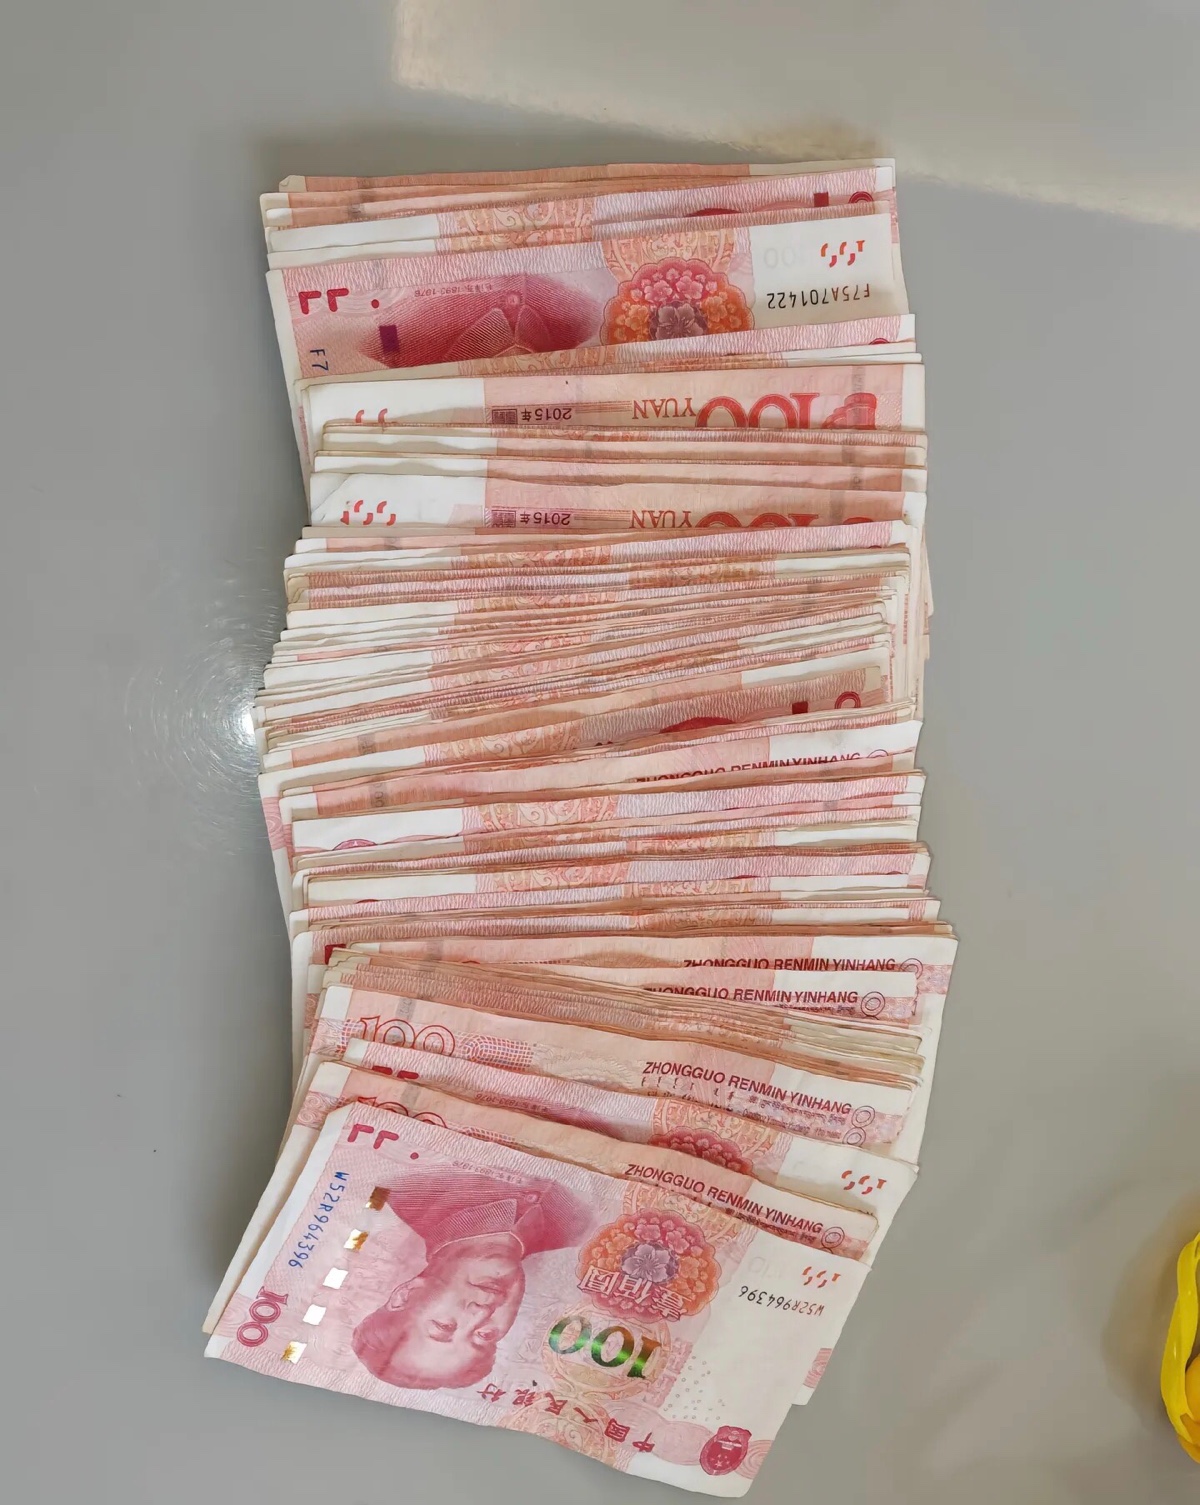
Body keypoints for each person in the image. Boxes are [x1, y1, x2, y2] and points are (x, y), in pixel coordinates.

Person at [352, 1167, 591, 1390]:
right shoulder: (580, 1230)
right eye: (484, 1336)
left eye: (444, 1326)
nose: (481, 1313)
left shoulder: (410, 1185)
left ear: (407, 1294)